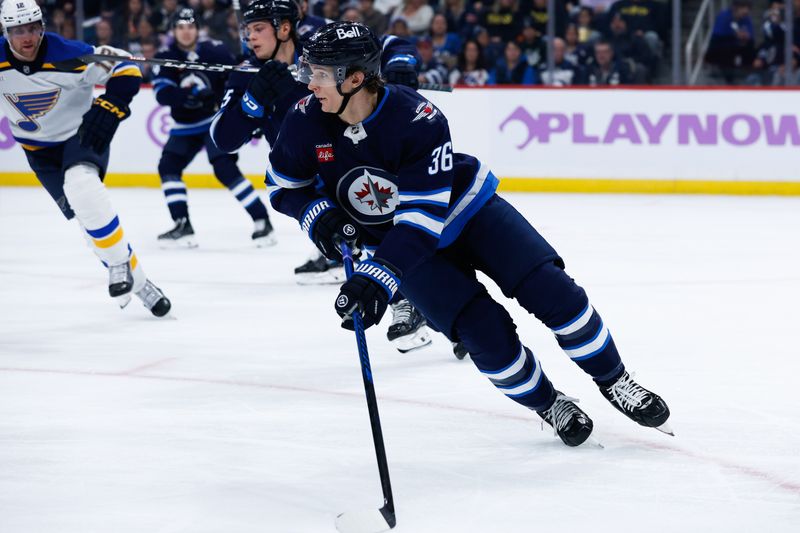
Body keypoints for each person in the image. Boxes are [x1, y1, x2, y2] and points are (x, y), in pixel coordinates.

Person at [266, 21, 672, 446]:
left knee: (556, 295)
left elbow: (420, 222)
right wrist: (316, 213)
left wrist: (377, 278)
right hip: (400, 248)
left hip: (467, 214)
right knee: (486, 340)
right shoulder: (305, 120)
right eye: (307, 71)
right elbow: (281, 184)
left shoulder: (416, 119)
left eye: (318, 74)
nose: (308, 83)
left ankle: (614, 379)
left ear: (354, 78)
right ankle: (549, 404)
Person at [209, 0, 434, 354]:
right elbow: (222, 139)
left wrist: (401, 67)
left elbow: (391, 44)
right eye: (247, 29)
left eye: (258, 28)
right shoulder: (246, 73)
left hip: (362, 158)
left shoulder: (321, 41)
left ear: (284, 28)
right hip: (312, 176)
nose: (249, 36)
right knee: (359, 238)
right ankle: (422, 306)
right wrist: (254, 99)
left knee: (401, 235)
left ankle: (441, 312)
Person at [0, 0, 170, 316]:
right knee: (87, 220)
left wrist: (111, 105)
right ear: (6, 32)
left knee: (82, 185)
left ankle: (119, 264)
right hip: (39, 152)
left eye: (32, 28)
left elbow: (125, 64)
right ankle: (141, 283)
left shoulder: (68, 53)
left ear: (42, 27)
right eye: (17, 31)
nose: (27, 38)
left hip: (82, 134)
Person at [153, 8, 275, 247]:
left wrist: (224, 99)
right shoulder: (165, 54)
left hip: (212, 121)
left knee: (224, 168)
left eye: (190, 26)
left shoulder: (215, 51)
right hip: (184, 125)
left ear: (197, 29)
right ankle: (182, 225)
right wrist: (187, 96)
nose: (186, 32)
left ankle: (262, 221)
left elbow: (238, 78)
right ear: (173, 30)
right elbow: (162, 93)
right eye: (180, 27)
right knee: (168, 166)